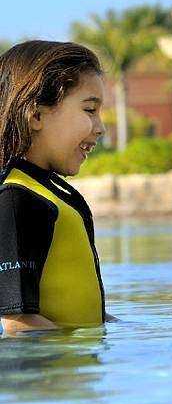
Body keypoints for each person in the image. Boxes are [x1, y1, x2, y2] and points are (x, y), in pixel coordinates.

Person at [0, 40, 107, 334]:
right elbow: (18, 323)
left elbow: (86, 313)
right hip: (45, 377)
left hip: (74, 374)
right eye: (89, 110)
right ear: (36, 116)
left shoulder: (55, 194)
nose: (100, 128)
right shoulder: (18, 198)